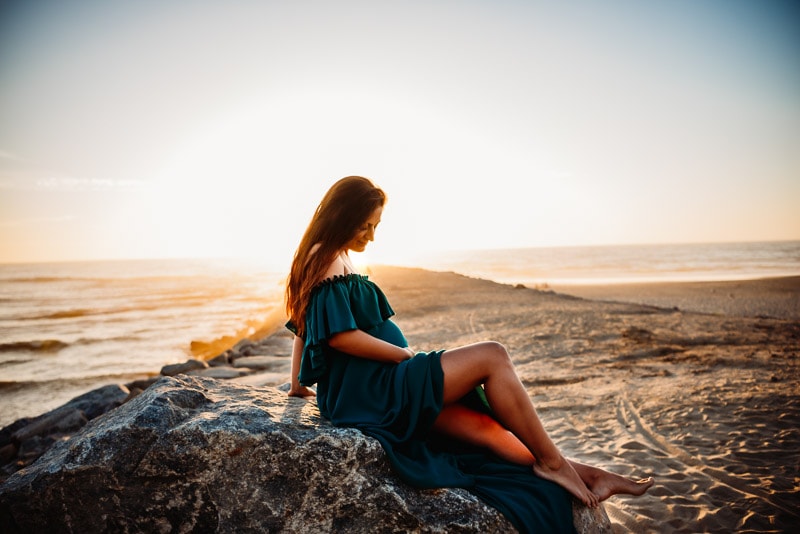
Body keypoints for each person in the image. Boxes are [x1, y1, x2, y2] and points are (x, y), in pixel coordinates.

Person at [285, 176, 653, 532]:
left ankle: (588, 474)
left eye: (375, 226)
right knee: (493, 355)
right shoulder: (327, 257)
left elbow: (302, 324)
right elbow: (340, 338)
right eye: (365, 226)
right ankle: (553, 463)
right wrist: (404, 356)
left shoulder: (333, 256)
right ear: (343, 216)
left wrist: (297, 385)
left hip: (379, 382)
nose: (371, 236)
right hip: (374, 389)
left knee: (485, 430)